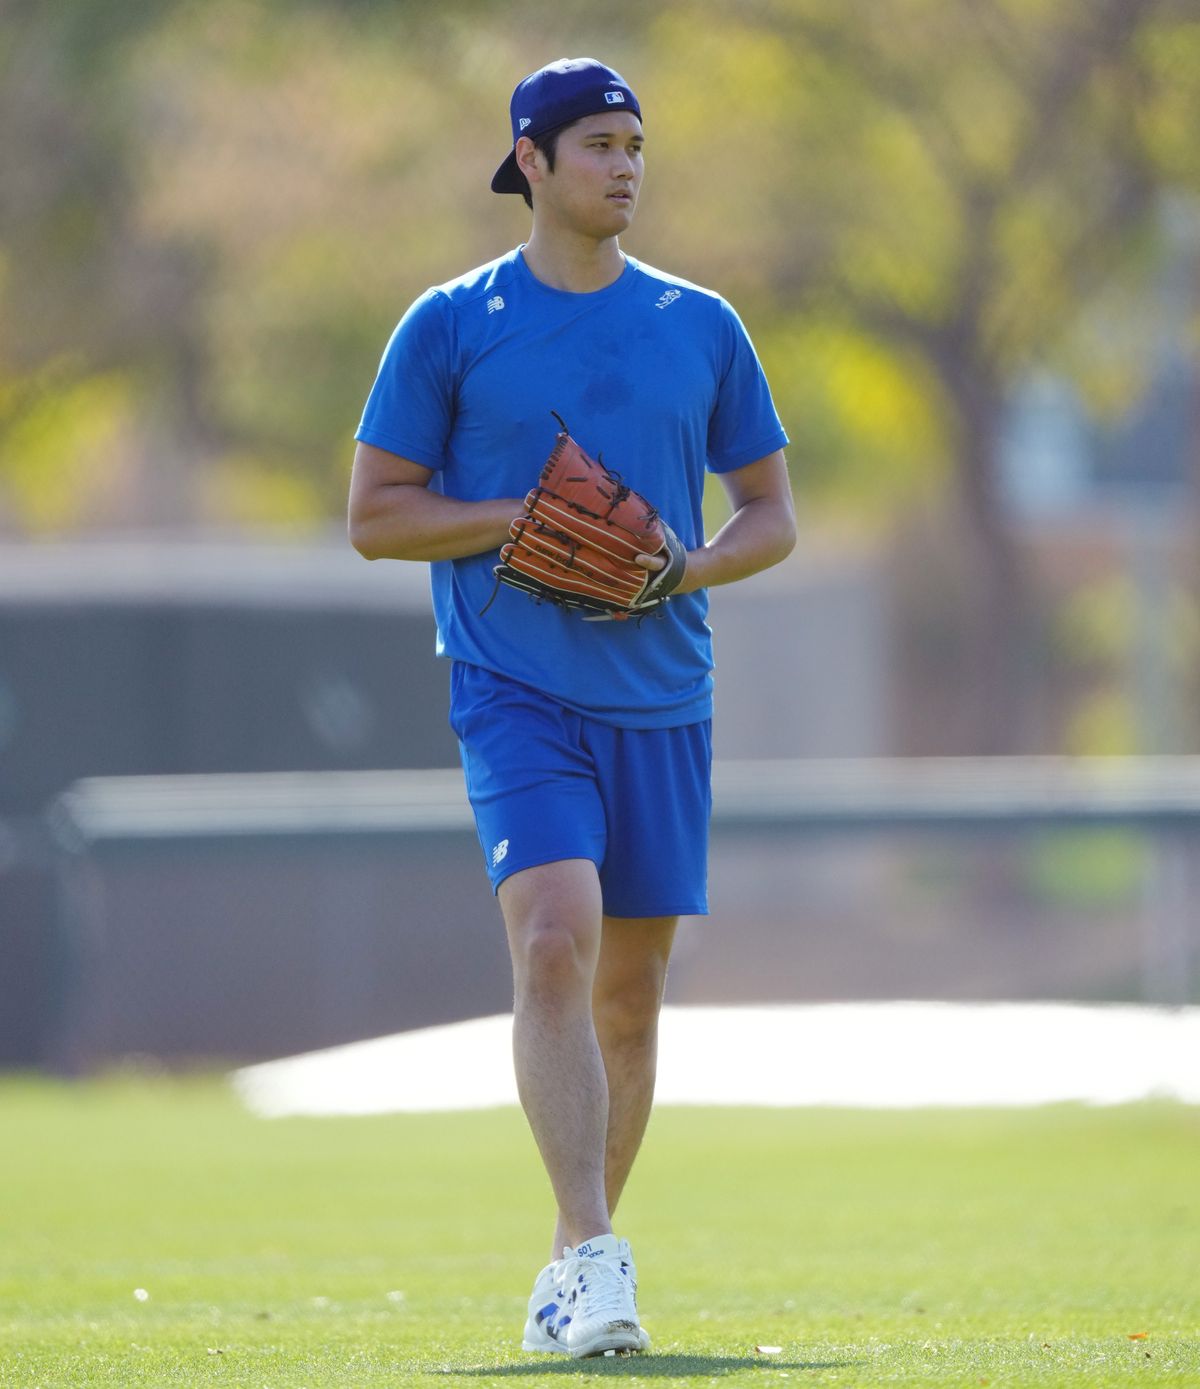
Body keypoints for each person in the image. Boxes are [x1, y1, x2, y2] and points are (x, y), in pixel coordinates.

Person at [348, 56, 795, 1359]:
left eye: (636, 146)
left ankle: (564, 1268)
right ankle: (600, 1254)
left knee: (633, 996)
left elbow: (770, 512)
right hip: (514, 686)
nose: (625, 166)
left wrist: (692, 562)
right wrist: (515, 520)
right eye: (598, 144)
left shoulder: (701, 324)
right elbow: (377, 515)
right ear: (531, 163)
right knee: (555, 934)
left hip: (663, 690)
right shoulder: (449, 323)